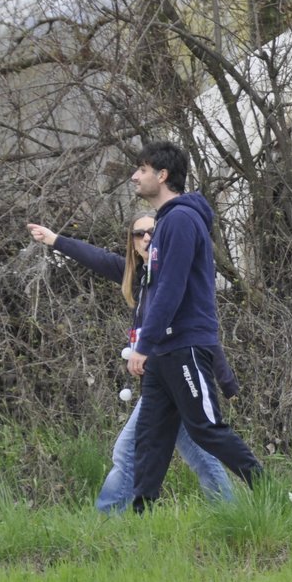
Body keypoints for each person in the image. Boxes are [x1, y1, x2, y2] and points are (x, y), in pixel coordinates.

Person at [26, 214, 237, 512]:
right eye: (139, 234)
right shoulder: (138, 277)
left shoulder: (171, 279)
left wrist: (225, 379)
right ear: (133, 241)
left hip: (176, 377)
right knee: (202, 455)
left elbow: (201, 331)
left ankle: (109, 518)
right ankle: (233, 514)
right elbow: (96, 257)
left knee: (128, 450)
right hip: (161, 384)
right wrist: (55, 240)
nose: (147, 238)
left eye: (154, 232)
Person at [123, 141, 265, 510]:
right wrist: (151, 345)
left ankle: (272, 494)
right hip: (163, 351)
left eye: (142, 169)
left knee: (206, 428)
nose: (135, 176)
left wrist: (143, 343)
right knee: (151, 436)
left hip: (184, 344)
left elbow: (171, 289)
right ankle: (141, 516)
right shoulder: (165, 222)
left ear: (163, 175)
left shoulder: (182, 220)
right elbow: (156, 289)